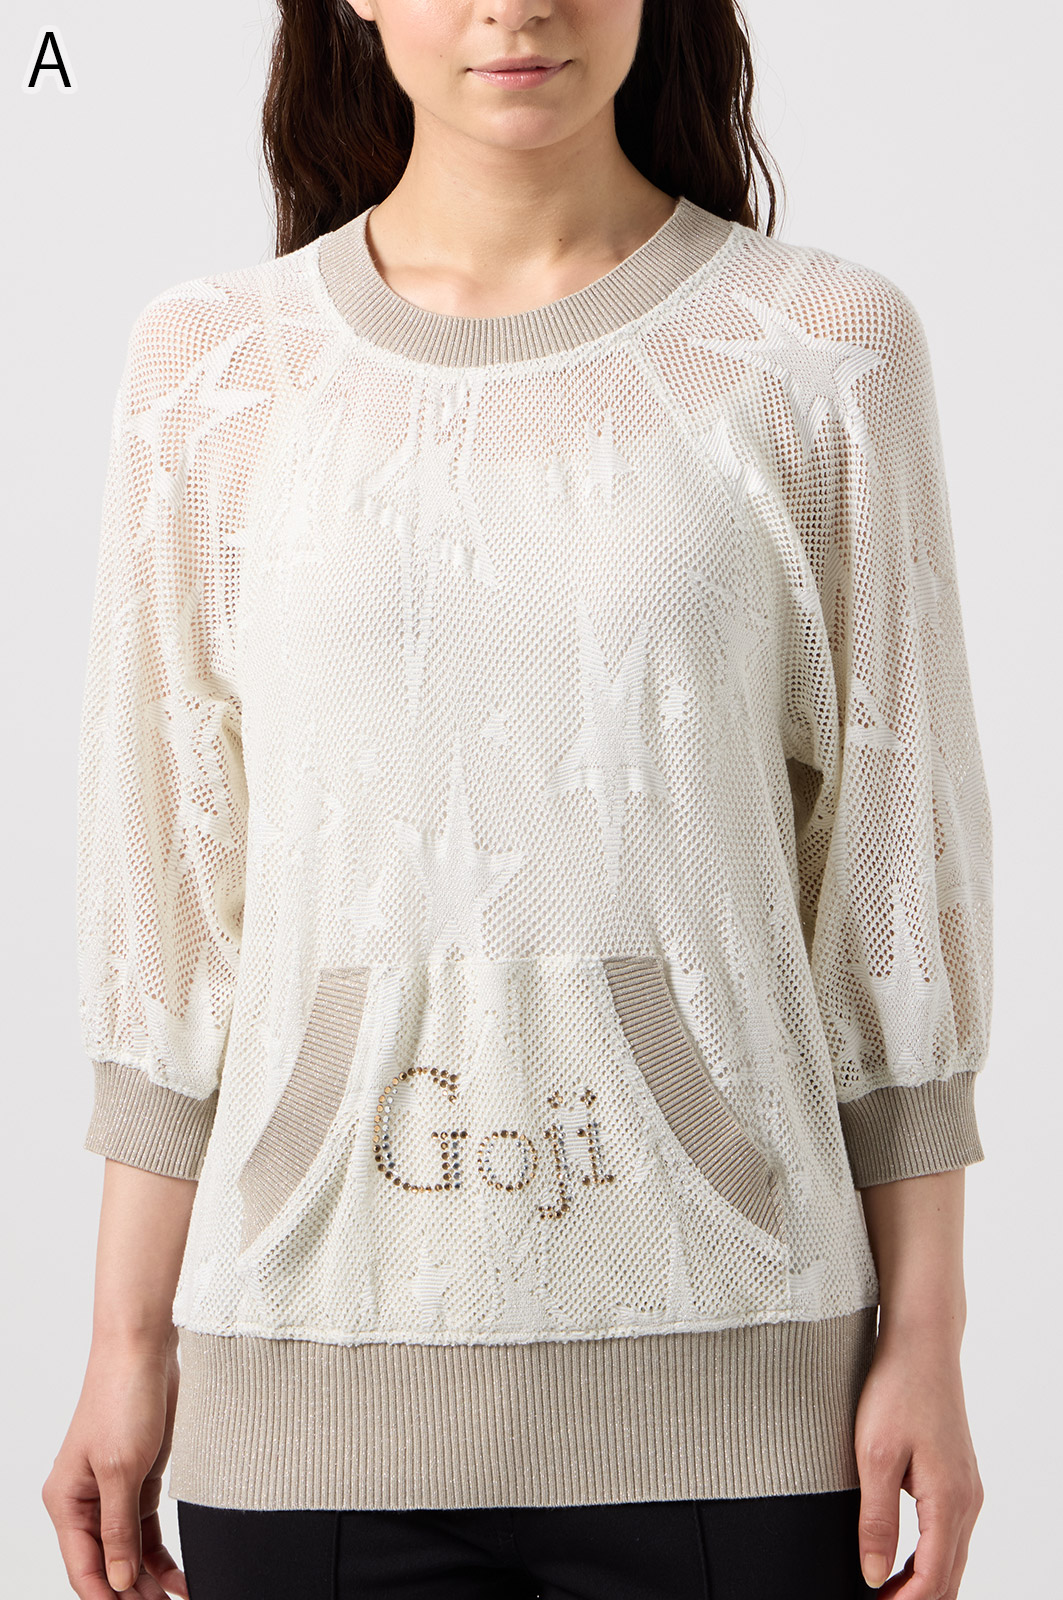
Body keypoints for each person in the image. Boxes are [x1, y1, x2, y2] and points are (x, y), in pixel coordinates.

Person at [42, 1, 993, 1597]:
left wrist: (934, 1339)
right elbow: (172, 916)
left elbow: (892, 879)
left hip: (737, 1385)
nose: (515, 4)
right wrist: (124, 1349)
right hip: (307, 1385)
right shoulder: (215, 370)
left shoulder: (818, 347)